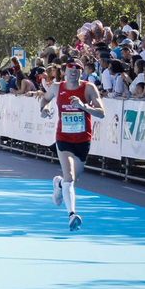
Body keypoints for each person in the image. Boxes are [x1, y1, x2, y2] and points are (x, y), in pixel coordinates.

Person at [37, 59, 103, 233]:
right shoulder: (57, 87)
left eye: (78, 69)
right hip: (64, 138)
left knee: (73, 179)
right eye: (70, 68)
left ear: (82, 72)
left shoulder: (89, 88)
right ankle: (71, 215)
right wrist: (43, 110)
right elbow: (44, 100)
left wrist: (83, 106)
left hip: (83, 140)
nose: (73, 71)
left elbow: (102, 113)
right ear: (65, 70)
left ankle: (58, 185)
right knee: (70, 177)